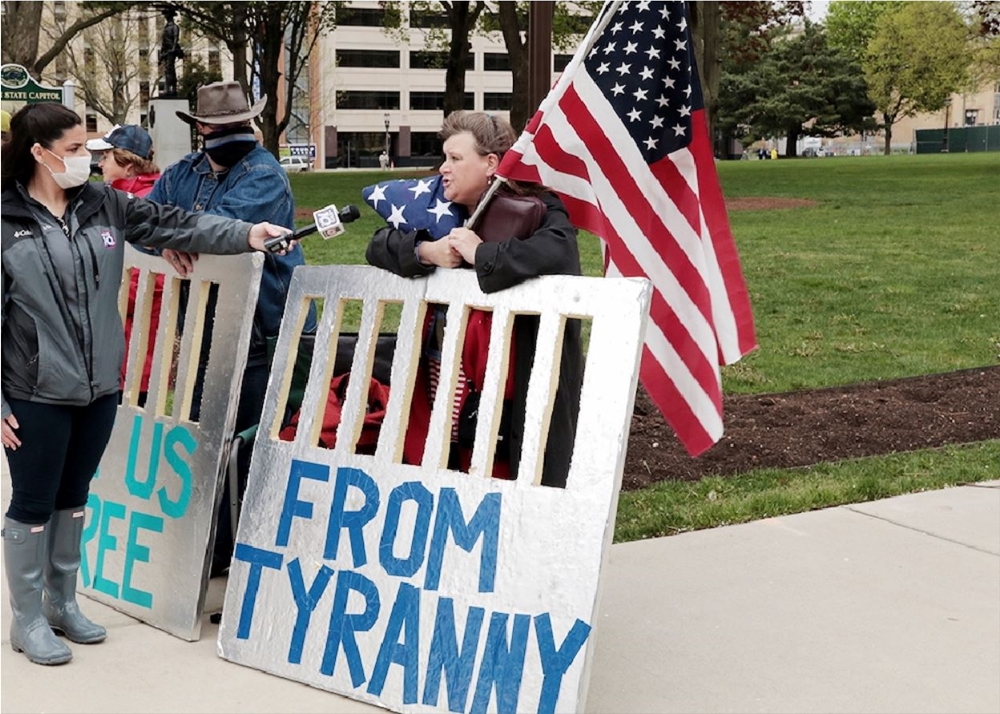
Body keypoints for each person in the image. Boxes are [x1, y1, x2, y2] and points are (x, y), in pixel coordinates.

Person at [0, 102, 295, 666]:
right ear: (38, 153)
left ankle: (62, 603)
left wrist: (247, 233)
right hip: (34, 389)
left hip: (98, 387)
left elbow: (176, 224)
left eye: (89, 149)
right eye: (73, 150)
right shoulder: (5, 218)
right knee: (34, 502)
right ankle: (28, 618)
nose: (87, 159)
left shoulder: (103, 203)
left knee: (74, 498)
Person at [147, 80, 316, 576]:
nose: (231, 133)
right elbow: (144, 216)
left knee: (247, 443)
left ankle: (247, 555)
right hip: (203, 326)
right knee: (204, 436)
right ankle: (213, 548)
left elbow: (219, 233)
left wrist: (175, 232)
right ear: (200, 128)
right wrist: (166, 239)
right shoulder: (185, 170)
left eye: (239, 124)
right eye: (219, 126)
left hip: (261, 327)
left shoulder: (264, 175)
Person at [365, 110, 583, 488]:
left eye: (455, 158)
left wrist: (482, 254)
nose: (442, 168)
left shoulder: (539, 206)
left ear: (491, 164)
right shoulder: (433, 207)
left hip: (513, 383)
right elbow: (377, 244)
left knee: (501, 478)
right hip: (440, 372)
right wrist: (425, 251)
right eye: (444, 157)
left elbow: (559, 251)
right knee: (441, 469)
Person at [86, 125, 162, 402]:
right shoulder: (114, 200)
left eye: (107, 156)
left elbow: (152, 277)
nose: (101, 163)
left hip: (135, 343)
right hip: (118, 337)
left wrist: (95, 294)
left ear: (128, 166)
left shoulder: (143, 203)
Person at [159, 8, 184, 98]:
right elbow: (163, 42)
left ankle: (172, 89)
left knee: (170, 70)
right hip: (166, 51)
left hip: (171, 51)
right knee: (167, 70)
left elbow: (176, 39)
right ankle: (168, 88)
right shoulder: (166, 28)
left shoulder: (175, 27)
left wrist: (173, 49)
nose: (165, 16)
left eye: (167, 14)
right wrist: (161, 54)